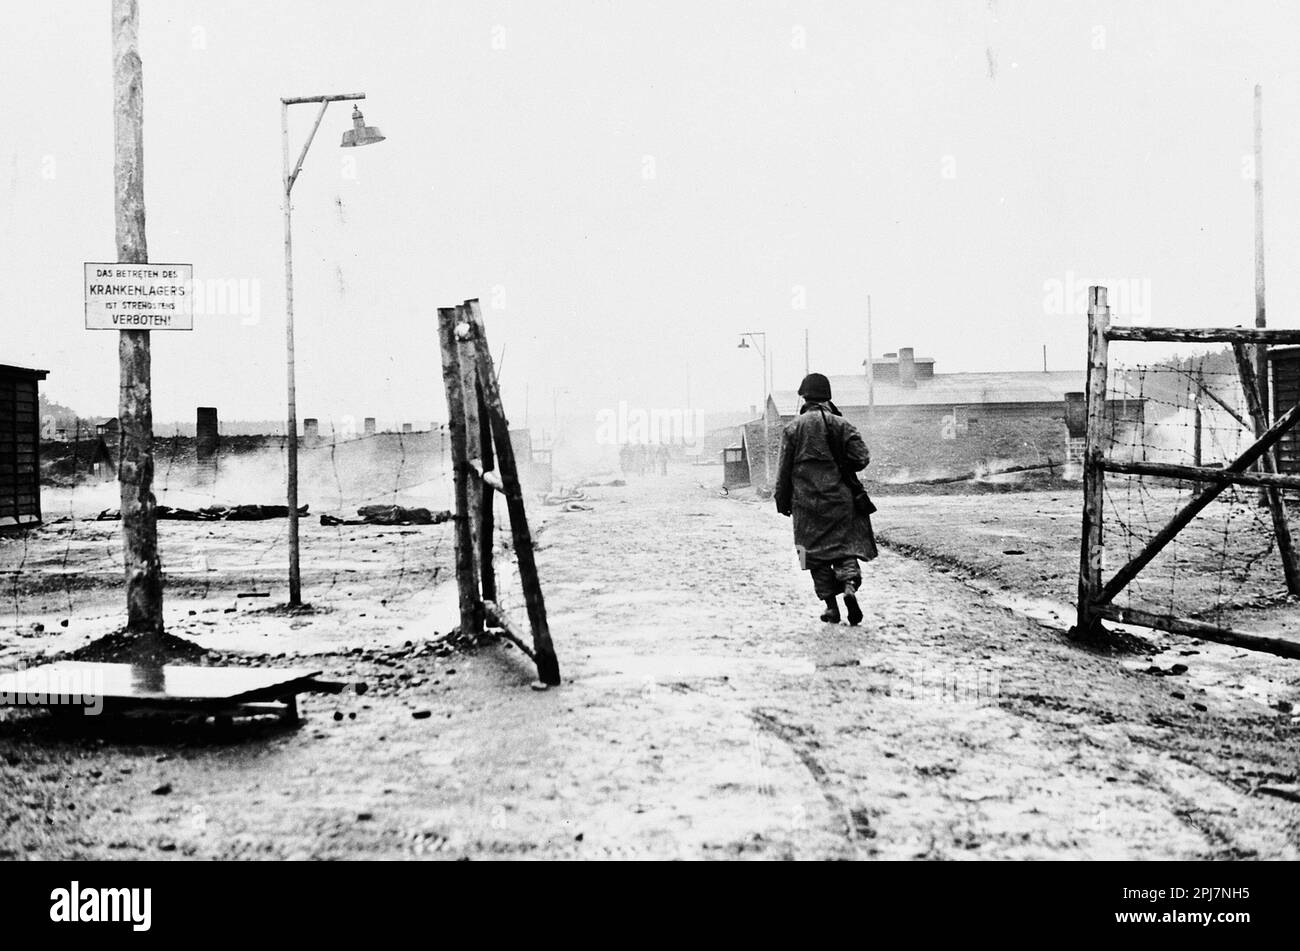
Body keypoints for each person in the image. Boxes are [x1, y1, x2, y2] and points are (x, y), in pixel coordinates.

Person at [773, 372, 878, 625]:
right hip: (840, 501)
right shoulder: (841, 425)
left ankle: (831, 607)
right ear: (828, 397)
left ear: (805, 397)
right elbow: (861, 458)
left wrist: (782, 501)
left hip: (806, 505)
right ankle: (850, 586)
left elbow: (783, 470)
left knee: (811, 555)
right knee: (845, 549)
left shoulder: (793, 429)